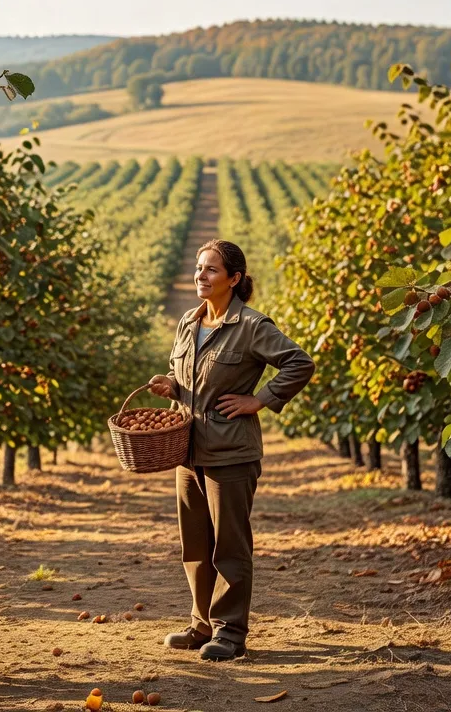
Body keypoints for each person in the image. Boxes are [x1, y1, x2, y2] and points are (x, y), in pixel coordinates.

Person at [146, 240, 314, 661]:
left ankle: (230, 631)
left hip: (231, 453)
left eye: (211, 270)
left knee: (230, 546)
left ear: (234, 279)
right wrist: (171, 386)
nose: (201, 276)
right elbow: (184, 376)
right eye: (199, 268)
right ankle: (201, 624)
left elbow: (299, 363)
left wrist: (259, 399)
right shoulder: (189, 321)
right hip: (187, 452)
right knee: (195, 544)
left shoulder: (253, 326)